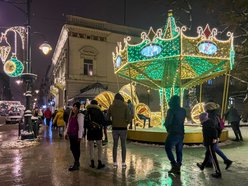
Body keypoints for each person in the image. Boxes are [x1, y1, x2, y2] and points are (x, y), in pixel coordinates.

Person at [204, 101, 233, 170]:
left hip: (212, 136)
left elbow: (213, 127)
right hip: (215, 135)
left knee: (212, 149)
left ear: (208, 109)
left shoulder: (211, 116)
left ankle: (225, 161)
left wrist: (215, 137)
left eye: (205, 108)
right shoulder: (215, 114)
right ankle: (209, 162)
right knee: (211, 149)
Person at [164, 95, 186, 174]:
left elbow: (168, 122)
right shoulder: (183, 110)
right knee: (179, 150)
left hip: (173, 132)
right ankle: (178, 165)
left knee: (167, 148)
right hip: (181, 132)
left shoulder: (171, 110)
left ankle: (174, 164)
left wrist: (168, 128)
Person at [108, 93, 131, 168]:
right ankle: (123, 163)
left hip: (115, 128)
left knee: (115, 145)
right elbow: (129, 118)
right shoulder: (125, 106)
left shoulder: (111, 106)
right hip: (123, 129)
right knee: (123, 145)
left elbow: (107, 117)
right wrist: (125, 123)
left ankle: (115, 163)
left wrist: (112, 122)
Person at [197, 112, 221, 178]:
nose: (199, 120)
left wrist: (215, 138)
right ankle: (202, 166)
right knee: (207, 154)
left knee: (213, 157)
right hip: (209, 141)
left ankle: (218, 172)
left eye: (200, 118)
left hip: (210, 142)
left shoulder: (207, 123)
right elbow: (217, 129)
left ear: (202, 119)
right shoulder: (208, 122)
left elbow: (214, 130)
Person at [84, 100, 105, 169]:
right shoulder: (99, 111)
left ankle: (92, 162)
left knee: (91, 147)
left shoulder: (88, 111)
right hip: (98, 131)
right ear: (97, 104)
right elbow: (103, 121)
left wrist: (86, 129)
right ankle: (99, 162)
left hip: (90, 131)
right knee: (99, 146)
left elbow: (85, 122)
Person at [64, 102, 84, 171]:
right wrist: (66, 133)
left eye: (76, 107)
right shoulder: (71, 115)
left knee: (76, 149)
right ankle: (76, 162)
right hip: (71, 134)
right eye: (74, 106)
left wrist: (80, 136)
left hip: (76, 135)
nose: (74, 108)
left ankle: (76, 163)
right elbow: (68, 125)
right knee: (72, 148)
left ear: (78, 108)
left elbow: (81, 127)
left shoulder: (80, 115)